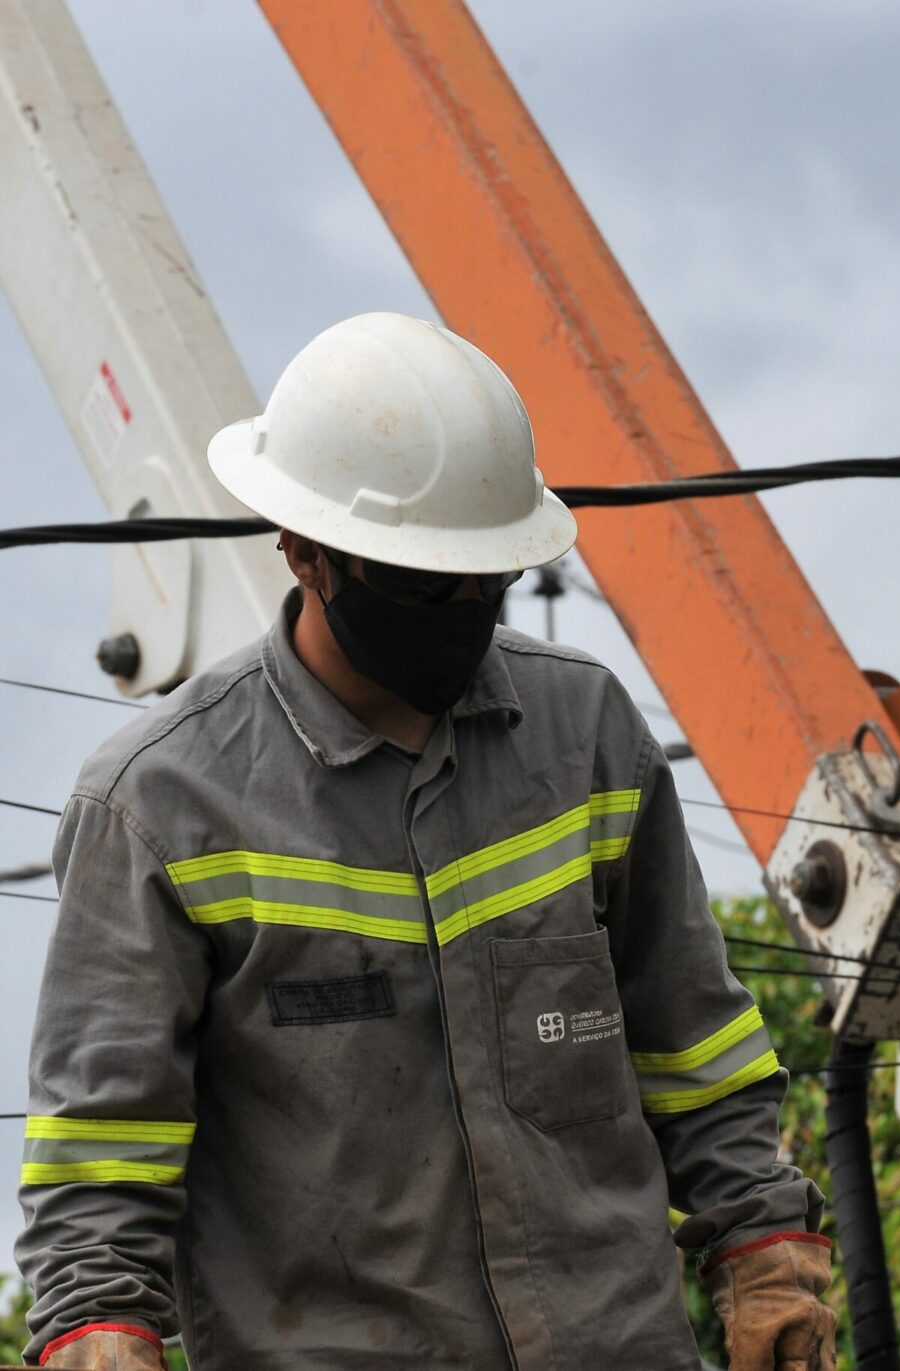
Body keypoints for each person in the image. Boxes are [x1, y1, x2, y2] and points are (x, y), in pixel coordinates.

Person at [16, 313, 836, 1371]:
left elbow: (698, 1051)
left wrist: (766, 1253)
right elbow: (101, 1162)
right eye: (419, 582)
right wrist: (98, 1336)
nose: (456, 610)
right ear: (302, 549)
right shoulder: (163, 809)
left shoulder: (584, 735)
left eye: (478, 582)